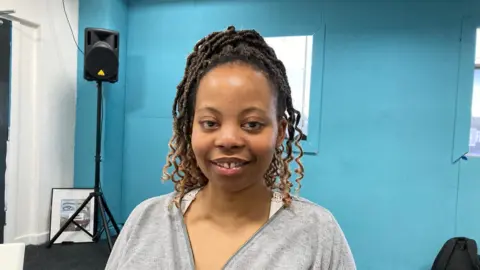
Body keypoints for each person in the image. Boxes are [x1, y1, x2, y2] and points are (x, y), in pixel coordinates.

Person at [105, 26, 356, 270]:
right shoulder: (146, 220)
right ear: (190, 128)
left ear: (280, 132)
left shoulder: (318, 233)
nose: (228, 139)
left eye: (252, 124)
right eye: (210, 123)